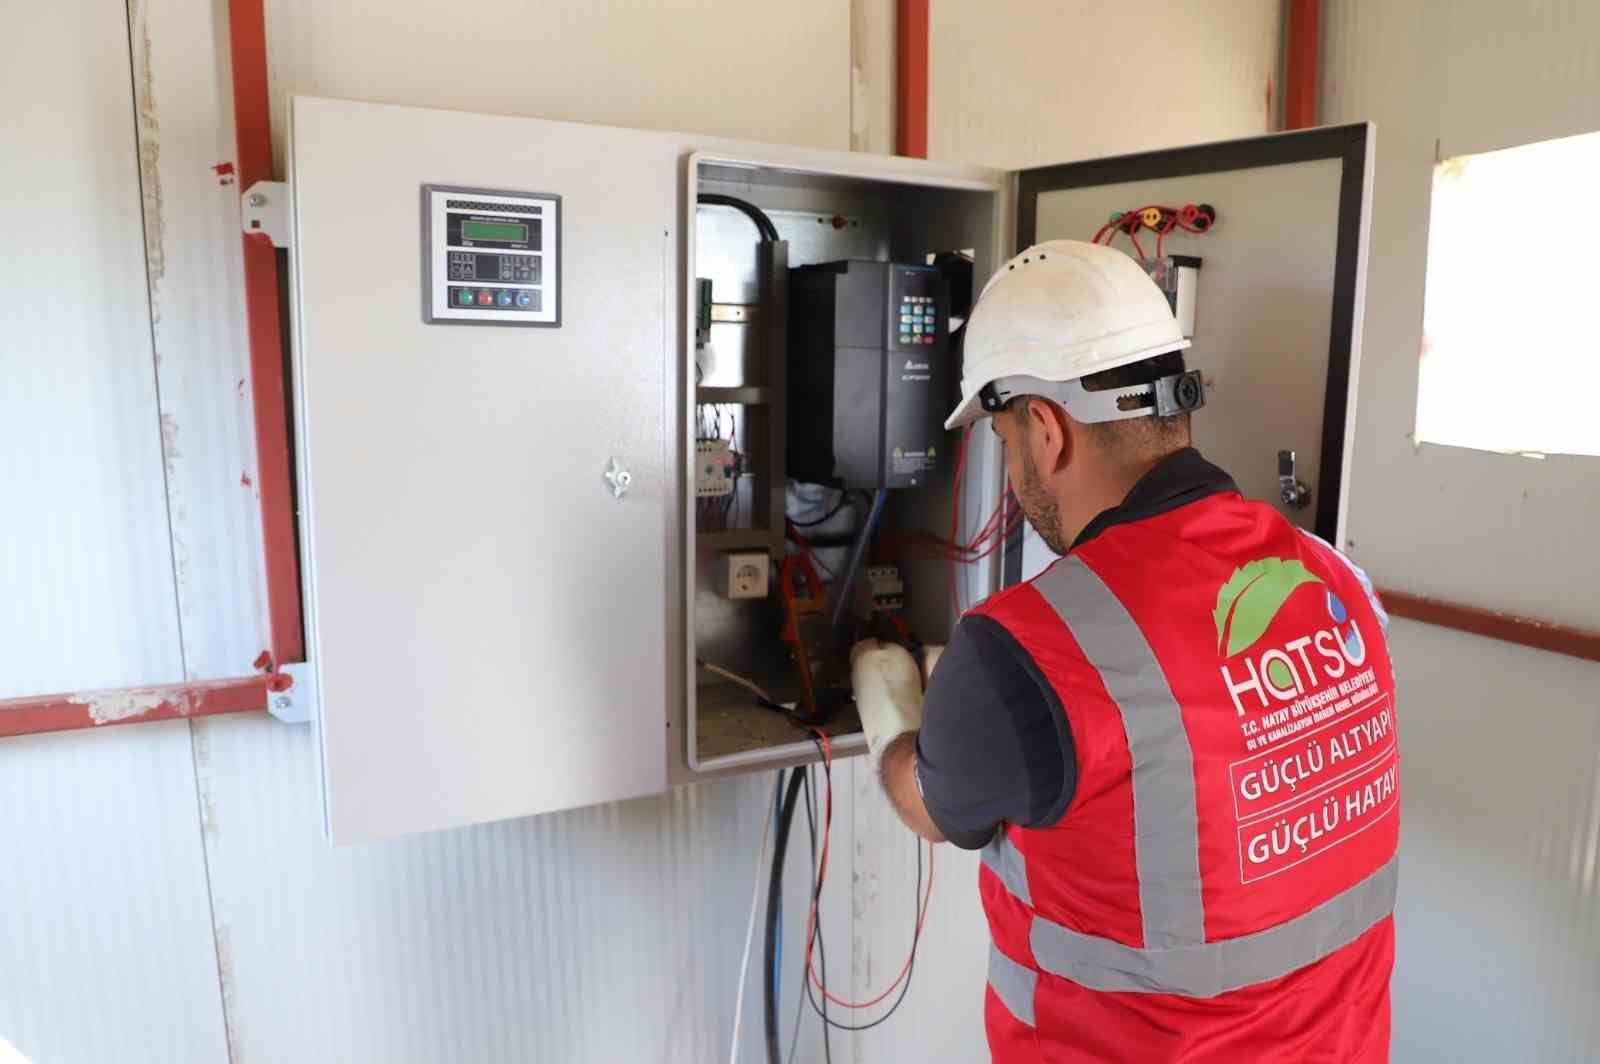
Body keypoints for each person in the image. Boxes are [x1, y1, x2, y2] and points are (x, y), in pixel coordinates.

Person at [850, 240, 1400, 1063]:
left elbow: (926, 803)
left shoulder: (1026, 648)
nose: (1013, 472)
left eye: (1004, 441)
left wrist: (891, 706)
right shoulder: (1336, 579)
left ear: (1045, 429)